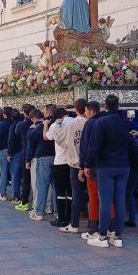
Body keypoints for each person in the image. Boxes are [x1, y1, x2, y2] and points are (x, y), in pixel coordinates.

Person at [85, 95, 138, 248]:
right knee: (120, 200)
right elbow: (131, 144)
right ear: (118, 105)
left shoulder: (101, 123)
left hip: (106, 166)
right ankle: (117, 236)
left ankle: (102, 236)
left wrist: (88, 164)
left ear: (105, 106)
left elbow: (94, 147)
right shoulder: (125, 123)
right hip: (123, 166)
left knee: (105, 201)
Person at [52, 99, 87, 233]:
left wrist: (56, 125)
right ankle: (96, 226)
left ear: (76, 109)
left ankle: (74, 224)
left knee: (75, 193)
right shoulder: (92, 122)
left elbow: (59, 139)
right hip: (90, 164)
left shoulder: (71, 124)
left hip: (75, 163)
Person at [78, 100, 106, 238]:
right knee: (108, 197)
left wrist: (83, 165)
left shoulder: (90, 124)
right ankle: (110, 227)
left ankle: (93, 228)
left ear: (91, 111)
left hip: (93, 166)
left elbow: (85, 147)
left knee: (93, 196)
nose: (85, 114)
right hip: (107, 165)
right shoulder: (106, 122)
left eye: (86, 111)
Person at [44, 107, 73, 227]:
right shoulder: (75, 121)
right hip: (73, 162)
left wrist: (47, 124)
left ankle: (61, 219)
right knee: (71, 192)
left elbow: (47, 137)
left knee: (60, 192)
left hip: (60, 161)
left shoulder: (55, 125)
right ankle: (70, 218)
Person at [27, 108, 55, 221]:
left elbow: (32, 138)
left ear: (48, 113)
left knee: (41, 185)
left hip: (43, 157)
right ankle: (56, 211)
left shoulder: (43, 124)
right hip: (56, 157)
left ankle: (39, 212)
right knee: (55, 187)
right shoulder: (58, 123)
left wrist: (33, 129)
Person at [14, 105, 34, 211]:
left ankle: (24, 201)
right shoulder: (37, 124)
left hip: (25, 152)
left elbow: (16, 134)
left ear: (25, 113)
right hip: (36, 154)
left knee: (26, 179)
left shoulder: (21, 124)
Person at [0, 107, 13, 201]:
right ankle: (15, 195)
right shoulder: (13, 123)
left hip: (3, 149)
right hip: (12, 149)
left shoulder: (1, 124)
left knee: (3, 172)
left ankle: (3, 193)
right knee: (13, 173)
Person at [6, 109, 23, 204]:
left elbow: (11, 141)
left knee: (15, 176)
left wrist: (9, 153)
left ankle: (16, 196)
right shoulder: (24, 124)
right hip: (22, 151)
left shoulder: (13, 127)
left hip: (15, 153)